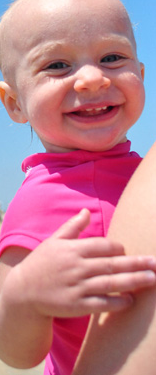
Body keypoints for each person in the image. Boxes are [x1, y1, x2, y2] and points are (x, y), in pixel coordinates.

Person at [0, 0, 156, 375]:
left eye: (113, 58)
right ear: (15, 103)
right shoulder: (39, 202)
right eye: (57, 65)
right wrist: (23, 298)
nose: (93, 78)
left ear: (142, 74)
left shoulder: (141, 173)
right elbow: (17, 355)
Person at [72, 141, 156, 375]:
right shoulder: (34, 201)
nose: (89, 100)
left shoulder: (137, 168)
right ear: (15, 108)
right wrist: (26, 296)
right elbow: (17, 355)